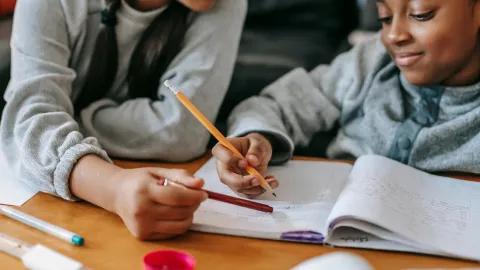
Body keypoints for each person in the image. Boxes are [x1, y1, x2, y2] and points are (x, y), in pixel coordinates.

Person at [0, 0, 246, 240]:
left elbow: (181, 131)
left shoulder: (224, 4)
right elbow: (28, 123)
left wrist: (66, 119)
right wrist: (113, 187)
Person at [212, 0, 480, 198]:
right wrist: (257, 139)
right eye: (385, 18)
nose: (395, 35)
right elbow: (272, 105)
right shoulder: (370, 60)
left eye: (421, 15)